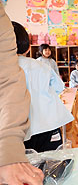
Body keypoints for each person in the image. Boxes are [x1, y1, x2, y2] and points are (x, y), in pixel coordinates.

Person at [0, 0, 44, 185]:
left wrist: (9, 150)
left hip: (24, 124)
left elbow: (9, 81)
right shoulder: (41, 65)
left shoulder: (2, 20)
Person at [12, 21, 74, 152]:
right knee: (52, 165)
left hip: (19, 131)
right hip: (49, 124)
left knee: (25, 166)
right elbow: (59, 87)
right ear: (29, 47)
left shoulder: (6, 68)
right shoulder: (41, 66)